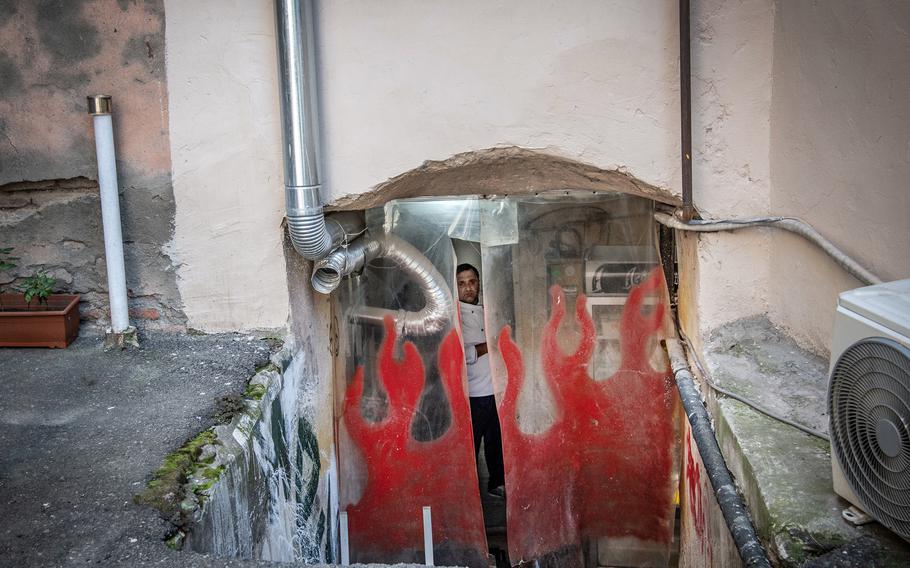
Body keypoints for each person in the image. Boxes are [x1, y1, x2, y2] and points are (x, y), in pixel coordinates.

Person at [456, 263, 506, 499]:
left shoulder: (489, 309)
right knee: (471, 445)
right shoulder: (454, 315)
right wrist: (490, 345)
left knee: (497, 441)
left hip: (496, 389)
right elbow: (460, 355)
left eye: (472, 282)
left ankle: (497, 484)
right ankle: (467, 495)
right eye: (462, 283)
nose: (468, 288)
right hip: (472, 393)